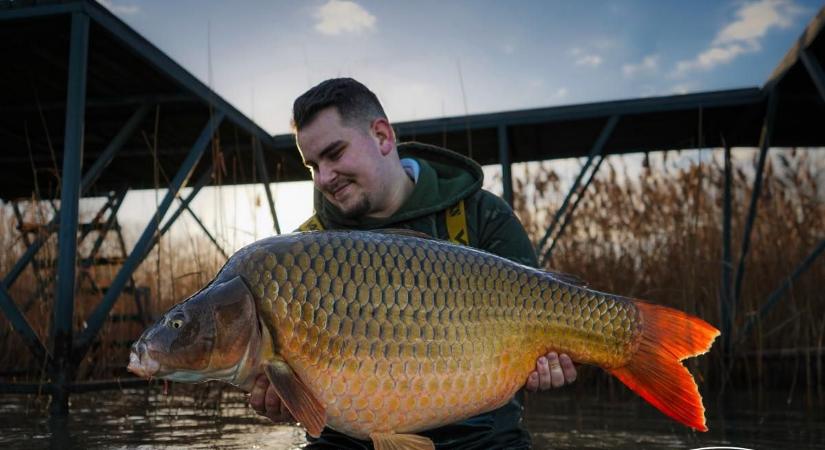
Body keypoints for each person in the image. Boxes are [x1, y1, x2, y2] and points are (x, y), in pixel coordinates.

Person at [249, 78, 577, 449]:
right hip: (349, 442)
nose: (324, 178)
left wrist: (551, 363)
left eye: (335, 153)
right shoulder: (304, 253)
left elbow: (547, 315)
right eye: (313, 165)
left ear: (382, 137)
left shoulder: (480, 215)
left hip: (484, 438)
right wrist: (287, 400)